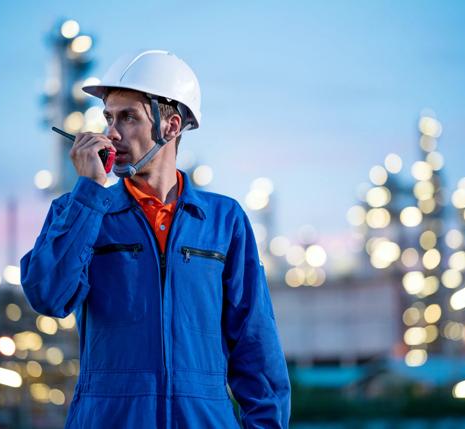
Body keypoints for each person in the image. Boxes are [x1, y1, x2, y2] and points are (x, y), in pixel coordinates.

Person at [20, 50, 291, 428]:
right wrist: (89, 193)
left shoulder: (223, 221)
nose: (111, 133)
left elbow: (255, 346)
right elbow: (48, 295)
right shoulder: (79, 211)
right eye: (108, 118)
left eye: (128, 117)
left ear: (172, 126)